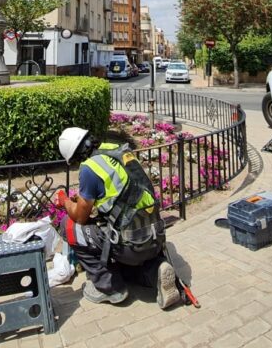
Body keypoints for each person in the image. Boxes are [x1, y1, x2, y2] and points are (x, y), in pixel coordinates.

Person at [55, 126, 181, 309]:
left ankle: (110, 288)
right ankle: (155, 270)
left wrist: (65, 200)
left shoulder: (89, 168)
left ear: (74, 157)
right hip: (154, 236)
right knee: (127, 252)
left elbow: (80, 217)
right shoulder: (117, 150)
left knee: (69, 226)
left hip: (127, 244)